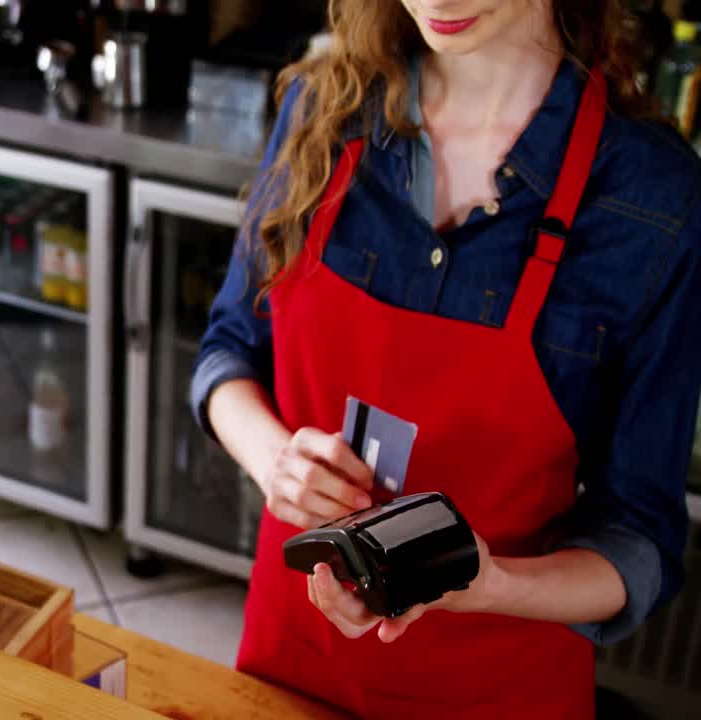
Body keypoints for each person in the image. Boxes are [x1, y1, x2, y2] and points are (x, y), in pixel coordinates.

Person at [193, 1, 701, 718]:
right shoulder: (321, 109)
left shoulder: (653, 200)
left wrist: (492, 584)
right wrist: (276, 459)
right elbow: (227, 351)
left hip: (495, 686)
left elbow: (640, 536)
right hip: (293, 663)